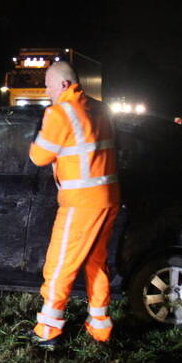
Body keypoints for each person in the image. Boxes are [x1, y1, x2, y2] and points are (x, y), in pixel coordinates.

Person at [27, 60, 120, 346]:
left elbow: (39, 157)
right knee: (96, 262)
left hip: (81, 203)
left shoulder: (60, 113)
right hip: (108, 197)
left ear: (65, 85)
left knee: (59, 267)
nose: (46, 90)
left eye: (48, 84)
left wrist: (37, 137)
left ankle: (48, 332)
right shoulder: (99, 108)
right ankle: (100, 327)